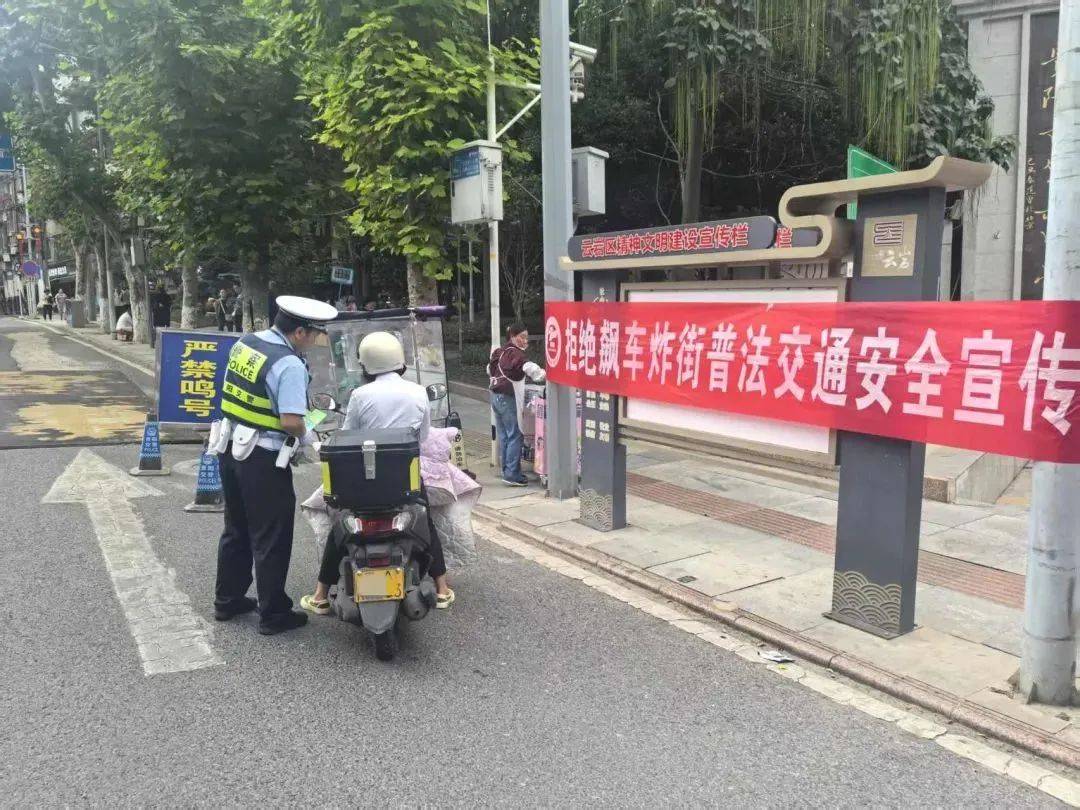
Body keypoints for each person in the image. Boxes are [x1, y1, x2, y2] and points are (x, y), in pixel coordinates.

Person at [300, 331, 456, 615]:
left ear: (366, 364)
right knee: (426, 523)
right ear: (399, 360)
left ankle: (320, 595)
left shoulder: (360, 395)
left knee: (340, 529)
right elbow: (422, 436)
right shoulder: (418, 392)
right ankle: (442, 589)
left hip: (363, 483)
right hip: (406, 480)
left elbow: (348, 436)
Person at [214, 295, 338, 635]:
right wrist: (311, 438)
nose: (315, 341)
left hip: (229, 447)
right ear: (299, 332)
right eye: (314, 335)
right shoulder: (289, 365)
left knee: (236, 527)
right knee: (271, 535)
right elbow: (291, 421)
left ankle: (227, 600)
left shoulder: (247, 343)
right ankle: (273, 613)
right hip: (262, 458)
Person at [488, 322, 546, 486]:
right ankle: (512, 474)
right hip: (508, 397)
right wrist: (546, 374)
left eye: (526, 337)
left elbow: (489, 369)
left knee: (505, 435)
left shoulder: (499, 351)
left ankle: (506, 470)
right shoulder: (515, 354)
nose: (525, 340)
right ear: (513, 336)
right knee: (515, 435)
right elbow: (529, 368)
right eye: (522, 337)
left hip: (495, 397)